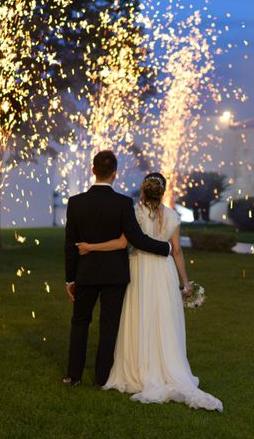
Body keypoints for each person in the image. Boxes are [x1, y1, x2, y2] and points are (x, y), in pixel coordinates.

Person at [76, 172, 223, 411]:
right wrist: (185, 282)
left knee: (139, 316)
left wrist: (91, 247)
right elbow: (176, 251)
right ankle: (165, 366)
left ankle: (138, 368)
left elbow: (123, 243)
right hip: (164, 272)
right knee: (162, 318)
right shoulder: (173, 216)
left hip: (140, 268)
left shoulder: (134, 213)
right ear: (162, 192)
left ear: (143, 191)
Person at [63, 152, 171, 387]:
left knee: (80, 322)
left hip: (86, 273)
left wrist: (70, 279)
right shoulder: (122, 203)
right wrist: (166, 247)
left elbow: (70, 244)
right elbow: (136, 238)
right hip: (115, 274)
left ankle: (73, 376)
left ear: (93, 171)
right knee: (109, 326)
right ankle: (102, 378)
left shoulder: (76, 202)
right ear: (115, 173)